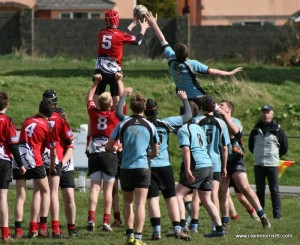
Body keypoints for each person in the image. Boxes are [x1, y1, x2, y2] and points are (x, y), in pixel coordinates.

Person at [116, 90, 192, 241]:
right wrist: (185, 99)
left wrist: (123, 96)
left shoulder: (136, 123)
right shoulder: (166, 122)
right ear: (157, 110)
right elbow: (188, 116)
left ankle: (156, 231)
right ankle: (177, 228)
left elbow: (119, 114)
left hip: (147, 164)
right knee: (170, 197)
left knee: (152, 199)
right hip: (164, 164)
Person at [145, 12, 242, 103]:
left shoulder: (171, 58)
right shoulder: (193, 64)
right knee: (217, 113)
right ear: (187, 55)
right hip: (199, 96)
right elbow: (213, 72)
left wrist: (154, 24)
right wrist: (229, 73)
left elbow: (162, 39)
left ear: (175, 53)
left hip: (185, 98)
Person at [105, 91, 159, 245]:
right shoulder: (150, 125)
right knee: (141, 203)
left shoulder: (123, 123)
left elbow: (109, 146)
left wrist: (118, 149)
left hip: (126, 168)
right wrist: (146, 157)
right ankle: (139, 238)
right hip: (142, 168)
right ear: (144, 108)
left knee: (128, 202)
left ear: (131, 108)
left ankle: (129, 236)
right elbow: (155, 152)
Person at [217, 100, 271, 229]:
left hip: (235, 159)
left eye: (222, 105)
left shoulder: (235, 121)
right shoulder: (216, 121)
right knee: (222, 191)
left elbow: (235, 132)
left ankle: (262, 216)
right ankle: (225, 221)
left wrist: (224, 117)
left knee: (244, 188)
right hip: (222, 160)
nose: (219, 107)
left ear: (229, 109)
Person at [175, 101, 225, 238]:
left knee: (178, 194)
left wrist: (188, 169)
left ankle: (182, 226)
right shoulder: (199, 128)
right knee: (206, 199)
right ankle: (219, 229)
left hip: (197, 165)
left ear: (182, 115)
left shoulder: (183, 129)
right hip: (209, 165)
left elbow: (186, 149)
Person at [17, 95, 56, 238]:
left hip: (21, 161)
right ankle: (42, 227)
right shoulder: (46, 125)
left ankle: (26, 229)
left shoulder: (27, 121)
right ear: (51, 112)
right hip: (35, 161)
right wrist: (52, 167)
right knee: (45, 191)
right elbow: (52, 151)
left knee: (24, 195)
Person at [86, 74, 121, 232]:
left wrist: (96, 83)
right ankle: (106, 221)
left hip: (94, 152)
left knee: (94, 188)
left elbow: (89, 97)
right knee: (108, 190)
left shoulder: (93, 113)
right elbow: (120, 101)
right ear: (111, 104)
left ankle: (91, 219)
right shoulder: (114, 116)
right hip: (109, 152)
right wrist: (119, 81)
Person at [94, 9, 149, 108]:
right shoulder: (120, 35)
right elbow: (137, 41)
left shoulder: (101, 33)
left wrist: (132, 24)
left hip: (100, 70)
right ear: (117, 20)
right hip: (114, 72)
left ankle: (96, 115)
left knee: (98, 98)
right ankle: (116, 117)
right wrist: (143, 29)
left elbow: (121, 35)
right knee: (116, 100)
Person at [40, 89, 76, 239]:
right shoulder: (52, 119)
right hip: (53, 160)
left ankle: (69, 228)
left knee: (63, 195)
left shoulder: (39, 119)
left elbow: (70, 145)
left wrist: (63, 161)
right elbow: (69, 141)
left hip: (58, 161)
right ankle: (49, 228)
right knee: (49, 193)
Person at [195, 95, 230, 232]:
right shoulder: (221, 123)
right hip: (215, 162)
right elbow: (225, 147)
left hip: (199, 161)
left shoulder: (197, 121)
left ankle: (193, 224)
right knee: (214, 194)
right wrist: (224, 166)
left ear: (202, 108)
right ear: (213, 107)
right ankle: (216, 224)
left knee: (196, 194)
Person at [248, 105, 288, 220]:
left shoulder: (278, 130)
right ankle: (262, 215)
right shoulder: (255, 130)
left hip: (272, 164)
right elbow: (251, 146)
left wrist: (275, 156)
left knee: (274, 190)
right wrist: (258, 155)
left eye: (268, 112)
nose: (265, 115)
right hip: (259, 164)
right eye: (263, 112)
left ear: (272, 114)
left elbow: (284, 146)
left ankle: (277, 215)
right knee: (259, 191)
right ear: (261, 115)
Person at [0, 91, 26, 243]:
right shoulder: (8, 121)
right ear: (7, 105)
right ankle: (5, 234)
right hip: (3, 160)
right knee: (2, 196)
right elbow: (13, 145)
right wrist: (21, 164)